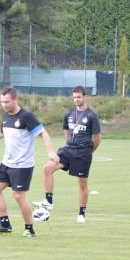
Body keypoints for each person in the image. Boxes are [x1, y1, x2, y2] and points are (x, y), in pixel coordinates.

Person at [0, 86, 58, 238]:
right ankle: (5, 225)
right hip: (7, 163)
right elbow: (1, 133)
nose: (4, 105)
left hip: (22, 165)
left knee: (18, 196)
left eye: (7, 102)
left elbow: (43, 133)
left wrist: (50, 152)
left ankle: (29, 229)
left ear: (15, 100)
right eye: (2, 102)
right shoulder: (5, 115)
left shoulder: (26, 116)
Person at [33, 85, 101, 223]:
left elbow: (97, 138)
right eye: (74, 97)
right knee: (47, 168)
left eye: (79, 97)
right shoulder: (69, 114)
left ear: (84, 97)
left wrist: (89, 151)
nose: (76, 99)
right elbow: (66, 131)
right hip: (68, 149)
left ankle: (81, 213)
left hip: (83, 152)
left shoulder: (91, 116)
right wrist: (69, 143)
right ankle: (48, 201)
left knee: (82, 184)